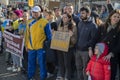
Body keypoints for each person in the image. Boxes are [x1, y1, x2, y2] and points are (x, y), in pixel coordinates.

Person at [89, 9, 120, 80]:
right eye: (114, 16)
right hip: (99, 56)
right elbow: (94, 39)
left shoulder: (118, 30)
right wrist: (90, 48)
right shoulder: (102, 26)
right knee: (97, 75)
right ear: (110, 17)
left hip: (110, 59)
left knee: (109, 76)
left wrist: (111, 54)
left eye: (118, 17)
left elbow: (118, 45)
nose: (116, 18)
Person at [25, 6, 52, 80]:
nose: (35, 14)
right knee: (31, 63)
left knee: (42, 64)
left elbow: (49, 36)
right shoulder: (29, 22)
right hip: (31, 47)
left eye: (36, 12)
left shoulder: (45, 22)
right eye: (33, 12)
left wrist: (48, 46)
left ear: (40, 12)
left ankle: (43, 77)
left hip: (41, 47)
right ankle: (30, 77)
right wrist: (26, 45)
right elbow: (27, 35)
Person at [75, 6, 98, 80]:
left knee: (86, 69)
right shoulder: (80, 23)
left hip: (86, 52)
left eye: (83, 13)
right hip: (78, 50)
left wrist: (89, 48)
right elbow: (78, 36)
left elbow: (93, 40)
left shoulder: (93, 26)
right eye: (80, 13)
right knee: (78, 68)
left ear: (88, 14)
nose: (81, 15)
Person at [56, 12, 77, 80]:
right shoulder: (60, 25)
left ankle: (67, 77)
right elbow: (58, 35)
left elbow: (74, 41)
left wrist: (71, 36)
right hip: (60, 47)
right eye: (63, 17)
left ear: (69, 18)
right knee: (61, 63)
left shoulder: (73, 26)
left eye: (65, 17)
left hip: (68, 48)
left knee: (67, 64)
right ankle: (62, 76)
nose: (64, 19)